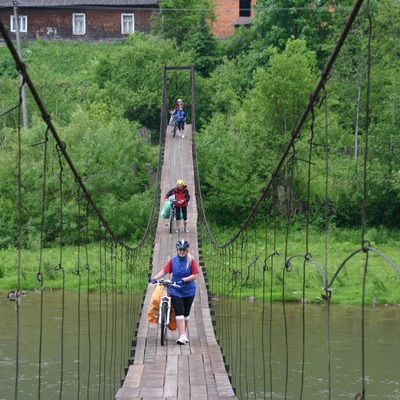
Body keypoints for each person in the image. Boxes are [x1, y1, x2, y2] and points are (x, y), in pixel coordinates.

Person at [149, 239, 199, 345]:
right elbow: (164, 271)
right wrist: (154, 278)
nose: (182, 252)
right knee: (179, 312)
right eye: (180, 249)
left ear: (187, 250)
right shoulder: (173, 260)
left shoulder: (191, 261)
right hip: (175, 289)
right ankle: (182, 336)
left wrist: (184, 280)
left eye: (184, 250)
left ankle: (183, 334)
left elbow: (195, 275)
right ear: (177, 250)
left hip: (189, 290)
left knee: (186, 314)